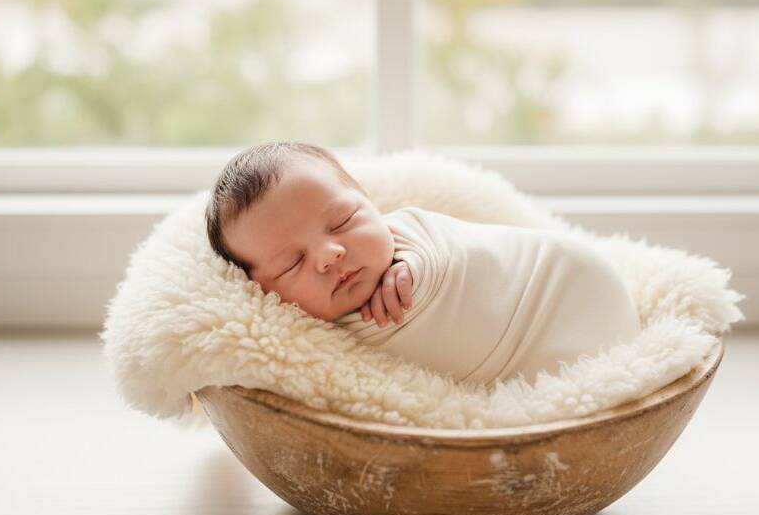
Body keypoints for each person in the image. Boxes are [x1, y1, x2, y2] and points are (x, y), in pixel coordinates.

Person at [206, 141, 641, 387]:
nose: (329, 254)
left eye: (343, 220)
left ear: (369, 202)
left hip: (564, 290)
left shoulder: (410, 233)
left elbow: (458, 242)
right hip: (521, 374)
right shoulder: (300, 338)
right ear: (261, 289)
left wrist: (420, 264)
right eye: (293, 263)